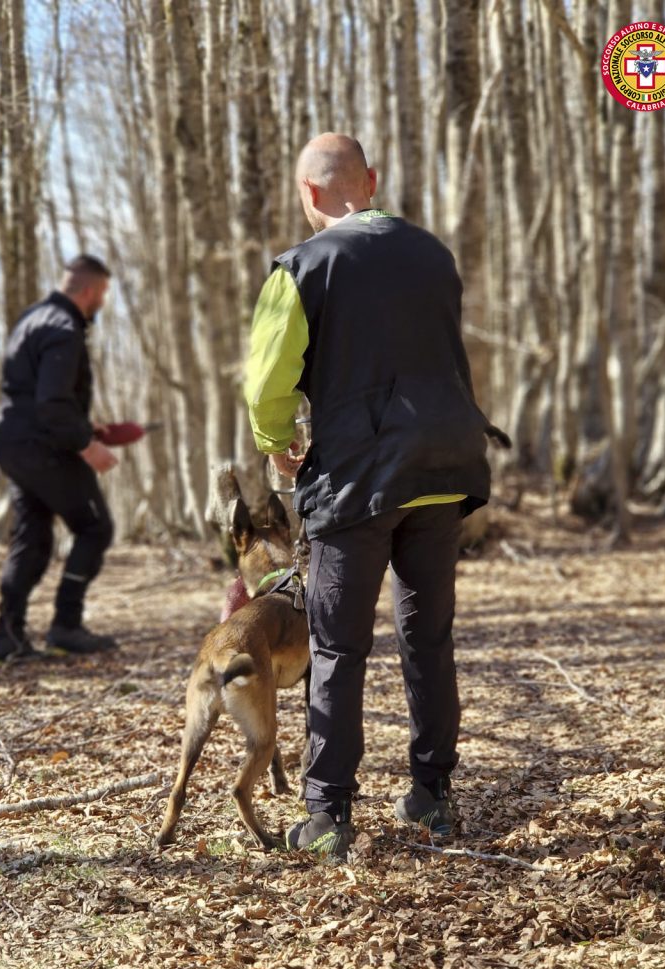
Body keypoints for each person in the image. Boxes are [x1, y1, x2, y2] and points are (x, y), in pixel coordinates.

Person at [244, 133, 494, 858]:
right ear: (372, 182)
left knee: (339, 646)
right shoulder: (433, 255)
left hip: (357, 481)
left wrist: (277, 440)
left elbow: (267, 385)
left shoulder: (302, 267)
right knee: (428, 638)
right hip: (444, 469)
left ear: (310, 194)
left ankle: (327, 815)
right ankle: (432, 797)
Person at [0, 255, 119, 663]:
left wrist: (84, 425)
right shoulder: (64, 329)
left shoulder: (33, 318)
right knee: (94, 527)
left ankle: (7, 638)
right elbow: (50, 403)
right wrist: (86, 444)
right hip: (43, 446)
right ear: (91, 291)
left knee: (33, 540)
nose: (101, 304)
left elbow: (36, 396)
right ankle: (65, 625)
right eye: (102, 296)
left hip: (14, 442)